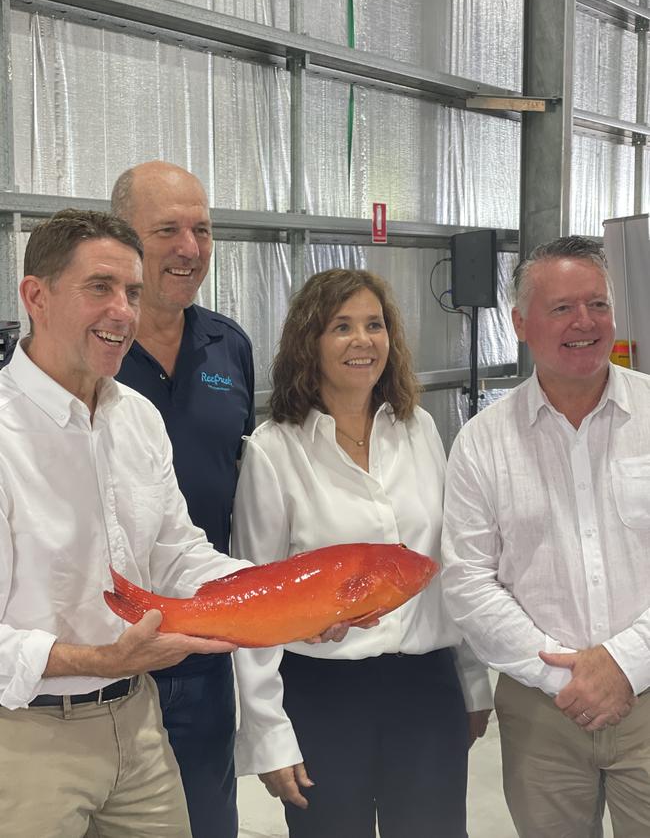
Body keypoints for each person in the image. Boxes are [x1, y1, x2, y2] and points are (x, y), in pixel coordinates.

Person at [0, 208, 251, 837]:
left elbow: (178, 554)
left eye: (132, 293)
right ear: (36, 296)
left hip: (137, 723)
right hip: (24, 738)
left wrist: (285, 598)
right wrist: (102, 657)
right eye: (99, 288)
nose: (123, 312)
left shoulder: (135, 417)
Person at [231, 268, 493, 838]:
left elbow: (448, 565)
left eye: (374, 325)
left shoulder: (419, 428)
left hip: (427, 689)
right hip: (325, 697)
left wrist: (472, 679)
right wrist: (268, 733)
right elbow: (257, 603)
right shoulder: (275, 449)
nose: (362, 341)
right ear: (310, 342)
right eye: (341, 326)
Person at [441, 235, 650, 837]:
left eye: (598, 304)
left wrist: (624, 664)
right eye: (561, 308)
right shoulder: (483, 442)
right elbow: (469, 582)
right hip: (542, 710)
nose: (583, 323)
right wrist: (570, 678)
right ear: (521, 324)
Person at [111, 161, 254, 838]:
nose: (190, 248)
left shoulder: (230, 345)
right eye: (167, 229)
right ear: (122, 236)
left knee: (206, 814)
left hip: (204, 637)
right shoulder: (81, 355)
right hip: (104, 646)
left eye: (202, 229)